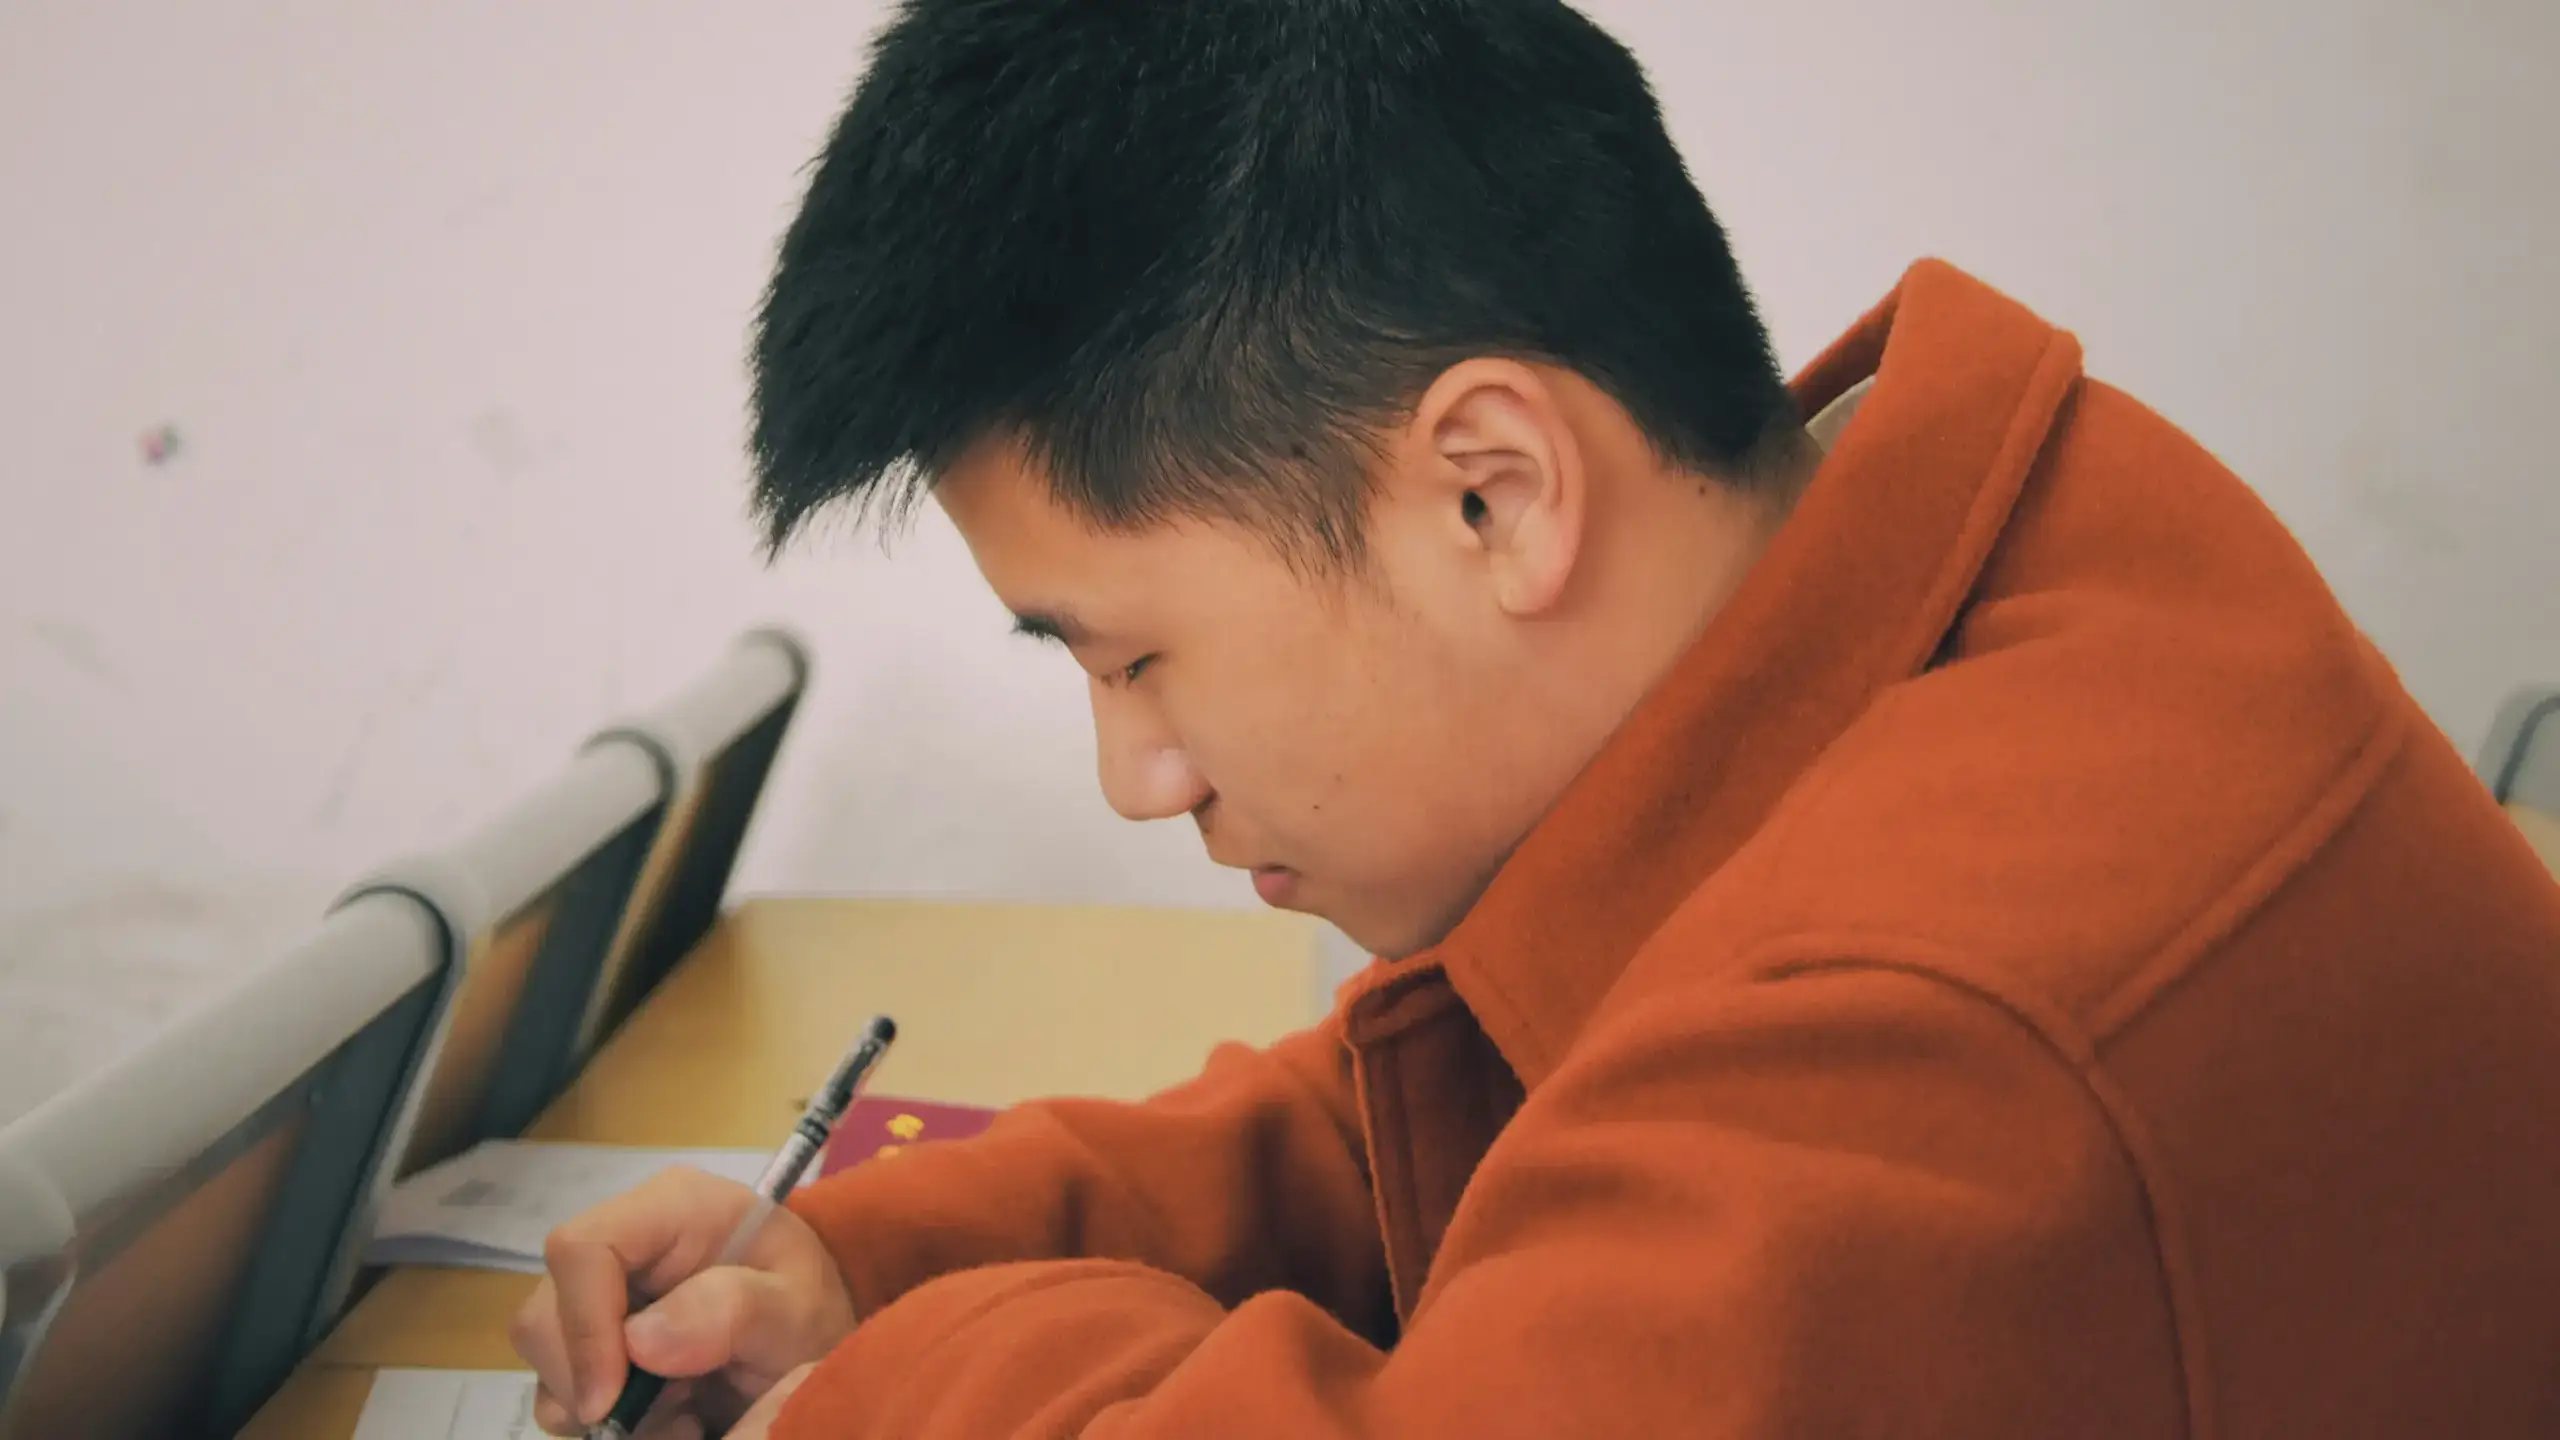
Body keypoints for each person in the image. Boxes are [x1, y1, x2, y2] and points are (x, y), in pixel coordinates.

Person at [512, 0, 2560, 1435]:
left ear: (1491, 492)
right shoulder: (1967, 558)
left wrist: (869, 1401)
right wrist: (879, 1269)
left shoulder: (1938, 1032)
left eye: (1131, 660)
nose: (1139, 778)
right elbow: (1477, 1091)